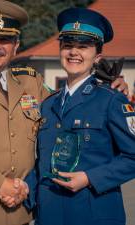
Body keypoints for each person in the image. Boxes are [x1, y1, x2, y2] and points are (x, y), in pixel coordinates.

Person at [0, 1, 128, 225]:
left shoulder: (30, 81)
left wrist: (111, 84)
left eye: (5, 40)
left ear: (16, 45)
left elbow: (75, 101)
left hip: (20, 214)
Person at [24, 7, 135, 225]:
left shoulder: (111, 99)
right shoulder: (48, 104)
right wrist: (22, 189)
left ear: (97, 57)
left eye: (83, 46)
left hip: (93, 214)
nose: (74, 52)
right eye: (67, 45)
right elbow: (42, 163)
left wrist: (90, 178)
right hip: (49, 215)